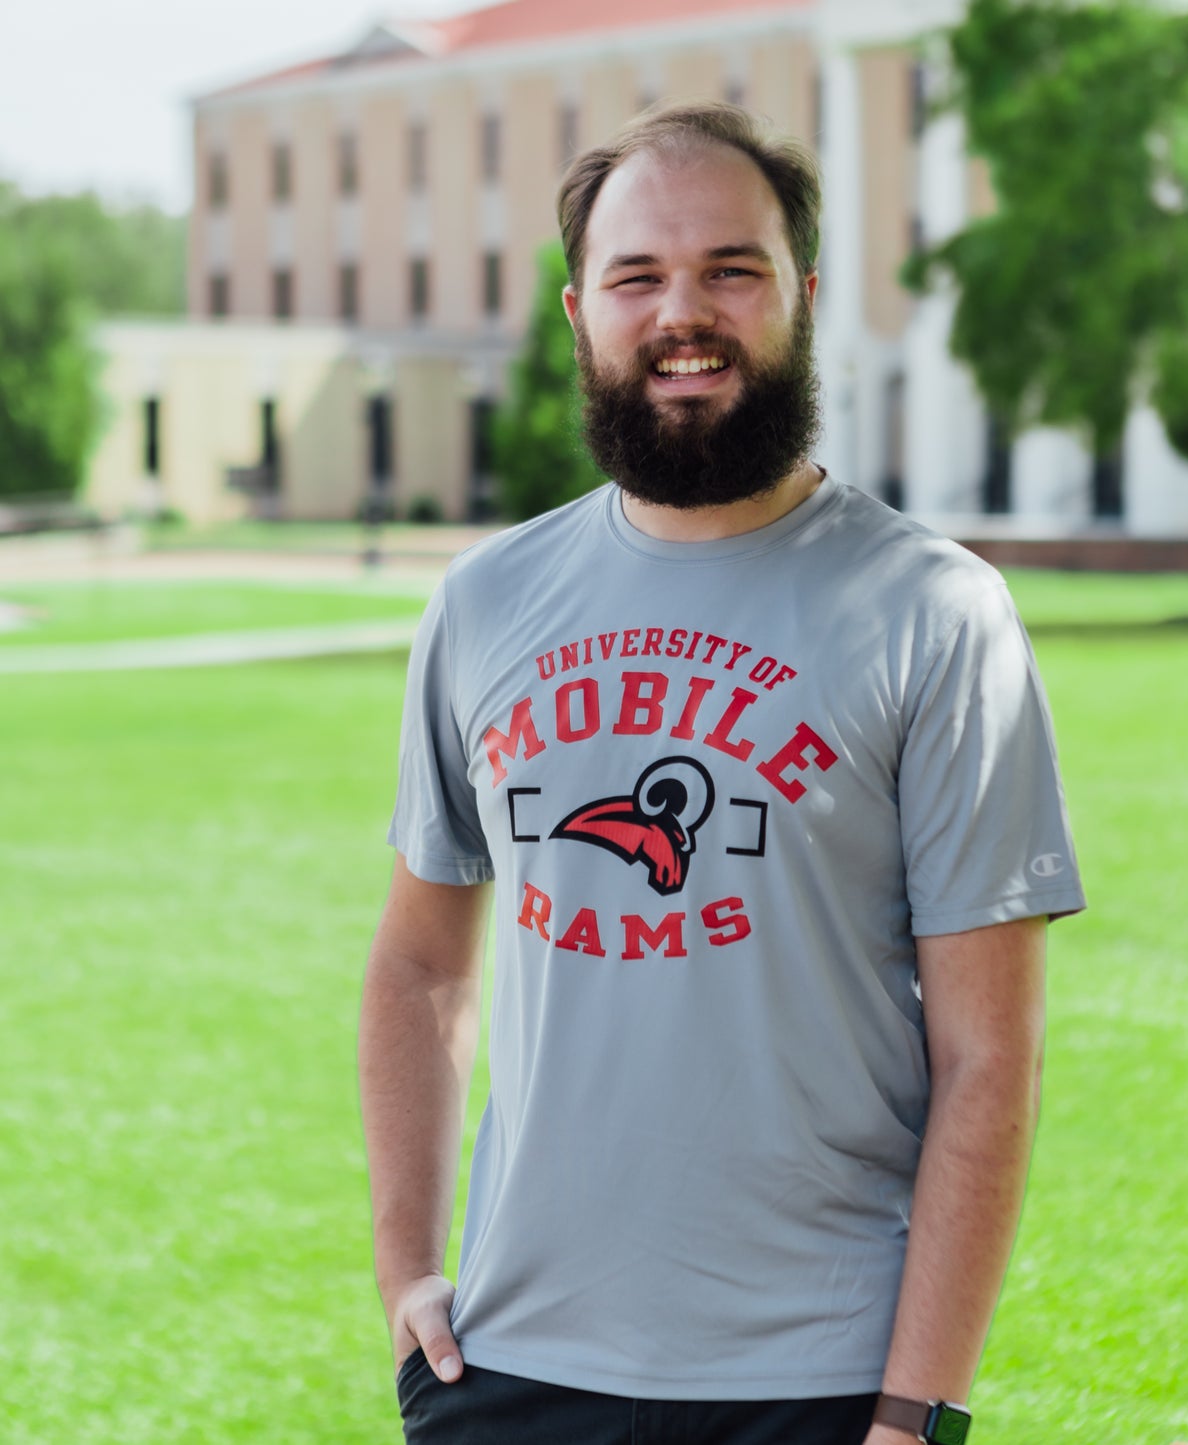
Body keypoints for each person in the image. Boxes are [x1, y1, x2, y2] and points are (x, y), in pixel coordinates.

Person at [359, 102, 1085, 1445]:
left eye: (729, 270)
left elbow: (988, 1051)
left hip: (816, 1379)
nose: (681, 312)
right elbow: (419, 962)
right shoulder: (485, 600)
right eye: (639, 277)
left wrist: (913, 1408)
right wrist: (407, 1267)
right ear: (580, 313)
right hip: (509, 1370)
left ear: (803, 296)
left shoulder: (934, 610)